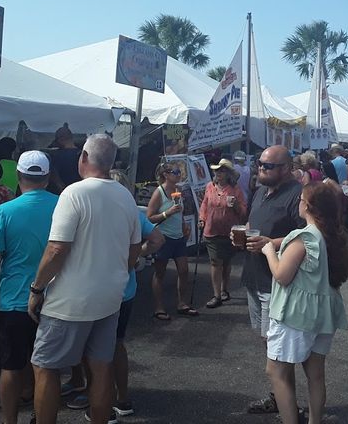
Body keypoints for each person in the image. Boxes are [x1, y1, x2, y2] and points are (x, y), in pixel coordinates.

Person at [28, 134, 141, 424]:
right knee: (101, 367)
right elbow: (134, 247)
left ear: (85, 158)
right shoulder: (125, 196)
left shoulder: (74, 193)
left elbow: (56, 249)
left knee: (45, 367)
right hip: (109, 297)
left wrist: (37, 287)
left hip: (70, 300)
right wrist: (119, 274)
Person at [0, 151, 59, 424]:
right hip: (54, 298)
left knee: (10, 365)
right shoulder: (63, 206)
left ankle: (9, 420)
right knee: (45, 366)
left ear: (20, 177)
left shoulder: (4, 211)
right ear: (47, 178)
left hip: (13, 299)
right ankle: (40, 415)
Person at [262, 182, 348, 424]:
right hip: (323, 313)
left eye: (301, 199)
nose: (299, 202)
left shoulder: (304, 237)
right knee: (315, 375)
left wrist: (269, 250)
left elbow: (281, 275)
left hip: (296, 314)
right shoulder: (330, 235)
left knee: (277, 371)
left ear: (309, 207)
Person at [242, 145, 305, 415]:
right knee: (268, 343)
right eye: (260, 164)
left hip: (276, 284)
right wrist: (244, 234)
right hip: (254, 278)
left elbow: (306, 235)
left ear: (286, 169)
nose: (261, 169)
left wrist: (270, 243)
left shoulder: (297, 195)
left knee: (277, 351)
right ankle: (281, 400)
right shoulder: (259, 192)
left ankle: (288, 409)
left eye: (268, 166)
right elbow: (252, 224)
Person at [98, 169, 165, 422]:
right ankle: (122, 398)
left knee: (97, 348)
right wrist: (136, 256)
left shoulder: (97, 211)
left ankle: (101, 404)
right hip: (126, 289)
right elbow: (158, 239)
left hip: (100, 288)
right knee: (116, 344)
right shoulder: (133, 212)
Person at [147, 162, 197, 320]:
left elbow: (180, 213)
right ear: (166, 174)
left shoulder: (179, 190)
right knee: (160, 273)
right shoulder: (159, 192)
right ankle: (159, 307)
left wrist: (184, 228)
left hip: (178, 236)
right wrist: (166, 213)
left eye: (179, 171)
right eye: (175, 172)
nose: (178, 174)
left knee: (183, 271)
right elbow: (149, 217)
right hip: (163, 237)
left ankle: (182, 303)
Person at [199, 159, 247, 309]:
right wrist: (202, 218)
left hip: (229, 232)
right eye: (216, 170)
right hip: (211, 230)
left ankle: (224, 289)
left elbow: (244, 212)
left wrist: (237, 205)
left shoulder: (235, 190)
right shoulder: (209, 187)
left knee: (226, 262)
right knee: (215, 262)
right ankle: (216, 295)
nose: (218, 173)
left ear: (228, 174)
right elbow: (204, 204)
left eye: (222, 170)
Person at [49, 124, 82, 189]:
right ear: (72, 137)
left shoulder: (56, 157)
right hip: (80, 191)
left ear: (60, 139)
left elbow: (55, 178)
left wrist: (63, 190)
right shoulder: (83, 155)